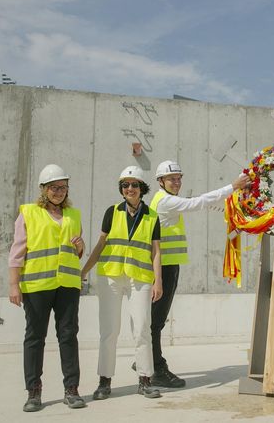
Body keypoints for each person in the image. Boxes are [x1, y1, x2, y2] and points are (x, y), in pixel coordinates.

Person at [145, 160, 250, 387]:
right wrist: (232, 187)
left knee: (154, 320)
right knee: (156, 321)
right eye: (172, 179)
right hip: (163, 268)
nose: (177, 182)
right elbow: (199, 202)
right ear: (160, 181)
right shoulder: (165, 201)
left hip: (167, 265)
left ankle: (145, 359)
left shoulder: (160, 199)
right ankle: (156, 368)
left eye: (179, 178)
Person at [8, 164, 86, 412]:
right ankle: (34, 392)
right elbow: (17, 252)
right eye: (54, 187)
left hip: (68, 285)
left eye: (63, 187)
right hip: (37, 285)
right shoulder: (29, 213)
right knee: (34, 338)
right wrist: (13, 284)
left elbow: (77, 252)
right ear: (43, 189)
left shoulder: (74, 215)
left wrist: (81, 245)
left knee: (68, 336)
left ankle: (71, 390)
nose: (59, 192)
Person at [81, 166, 163, 400]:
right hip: (111, 277)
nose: (130, 189)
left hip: (140, 278)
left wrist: (158, 282)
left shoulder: (152, 216)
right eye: (125, 185)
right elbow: (100, 245)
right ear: (121, 189)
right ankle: (104, 382)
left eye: (134, 185)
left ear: (142, 188)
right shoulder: (112, 212)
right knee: (109, 330)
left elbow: (156, 252)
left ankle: (145, 380)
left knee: (142, 329)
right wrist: (83, 271)